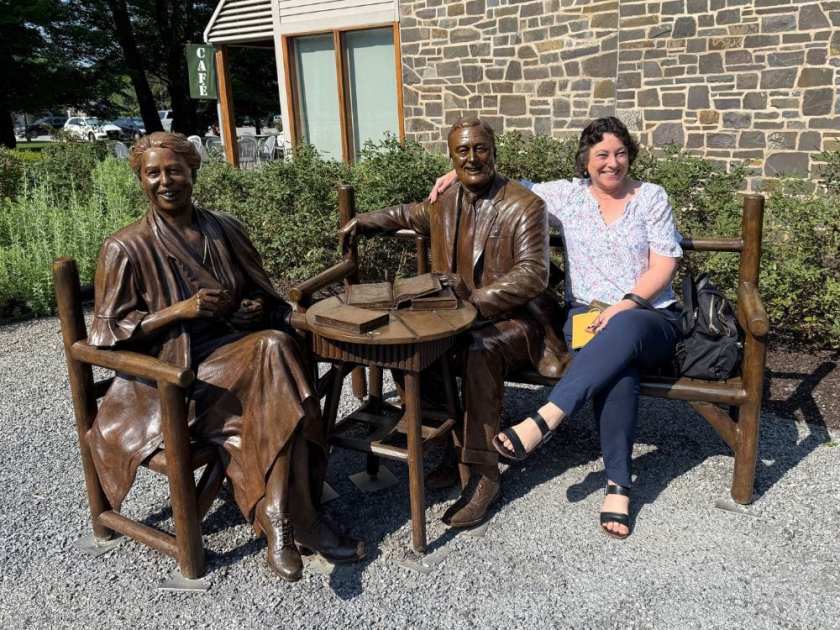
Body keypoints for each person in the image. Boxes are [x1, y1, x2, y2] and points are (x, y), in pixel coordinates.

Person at [87, 132, 364, 581]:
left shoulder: (224, 228)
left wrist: (261, 310)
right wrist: (178, 311)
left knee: (275, 352)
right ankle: (298, 521)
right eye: (152, 173)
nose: (165, 181)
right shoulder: (126, 247)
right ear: (139, 179)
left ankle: (282, 519)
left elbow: (264, 297)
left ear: (192, 172)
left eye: (174, 170)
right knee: (275, 359)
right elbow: (105, 332)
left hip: (242, 361)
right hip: (176, 380)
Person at [430, 116, 683, 539]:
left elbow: (665, 264)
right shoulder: (565, 197)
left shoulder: (651, 197)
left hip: (650, 316)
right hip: (586, 321)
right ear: (585, 160)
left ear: (630, 157)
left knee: (623, 329)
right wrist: (453, 172)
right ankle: (618, 486)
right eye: (601, 154)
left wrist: (626, 303)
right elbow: (501, 181)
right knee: (618, 372)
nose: (612, 163)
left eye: (620, 153)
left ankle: (546, 417)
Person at [339, 117, 568, 529]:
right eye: (462, 151)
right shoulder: (446, 202)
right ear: (452, 157)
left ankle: (483, 474)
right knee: (409, 342)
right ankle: (449, 446)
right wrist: (365, 221)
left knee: (481, 350)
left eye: (480, 148)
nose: (472, 157)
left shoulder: (525, 205)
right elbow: (406, 213)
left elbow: (534, 273)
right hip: (456, 320)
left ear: (494, 152)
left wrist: (475, 304)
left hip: (515, 322)